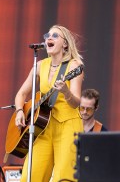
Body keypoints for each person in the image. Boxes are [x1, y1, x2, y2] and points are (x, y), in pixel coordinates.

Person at [14, 25, 84, 182]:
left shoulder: (74, 66)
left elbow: (76, 103)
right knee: (30, 176)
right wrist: (19, 111)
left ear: (65, 44)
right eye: (47, 35)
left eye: (55, 35)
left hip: (68, 125)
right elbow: (21, 94)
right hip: (42, 126)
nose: (49, 38)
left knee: (64, 177)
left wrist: (65, 91)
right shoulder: (39, 65)